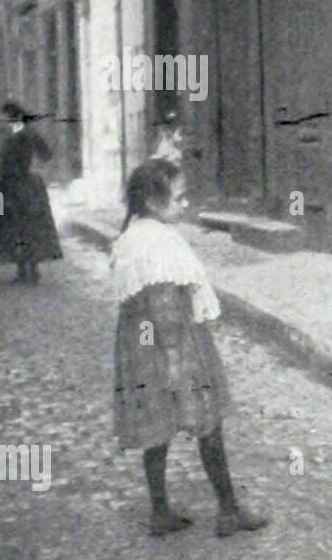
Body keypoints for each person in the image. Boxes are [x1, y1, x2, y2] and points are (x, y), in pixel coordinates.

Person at [111, 157, 269, 537]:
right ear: (152, 200)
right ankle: (229, 510)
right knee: (209, 425)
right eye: (178, 198)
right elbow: (164, 307)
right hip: (174, 345)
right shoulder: (157, 244)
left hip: (141, 352)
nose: (184, 204)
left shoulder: (134, 236)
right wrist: (177, 365)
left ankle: (160, 511)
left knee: (157, 431)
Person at [0, 102, 62, 284]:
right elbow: (47, 154)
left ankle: (24, 271)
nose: (2, 120)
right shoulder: (29, 133)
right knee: (28, 227)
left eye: (4, 116)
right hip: (28, 186)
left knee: (14, 226)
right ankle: (30, 270)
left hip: (11, 186)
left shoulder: (15, 135)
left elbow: (5, 163)